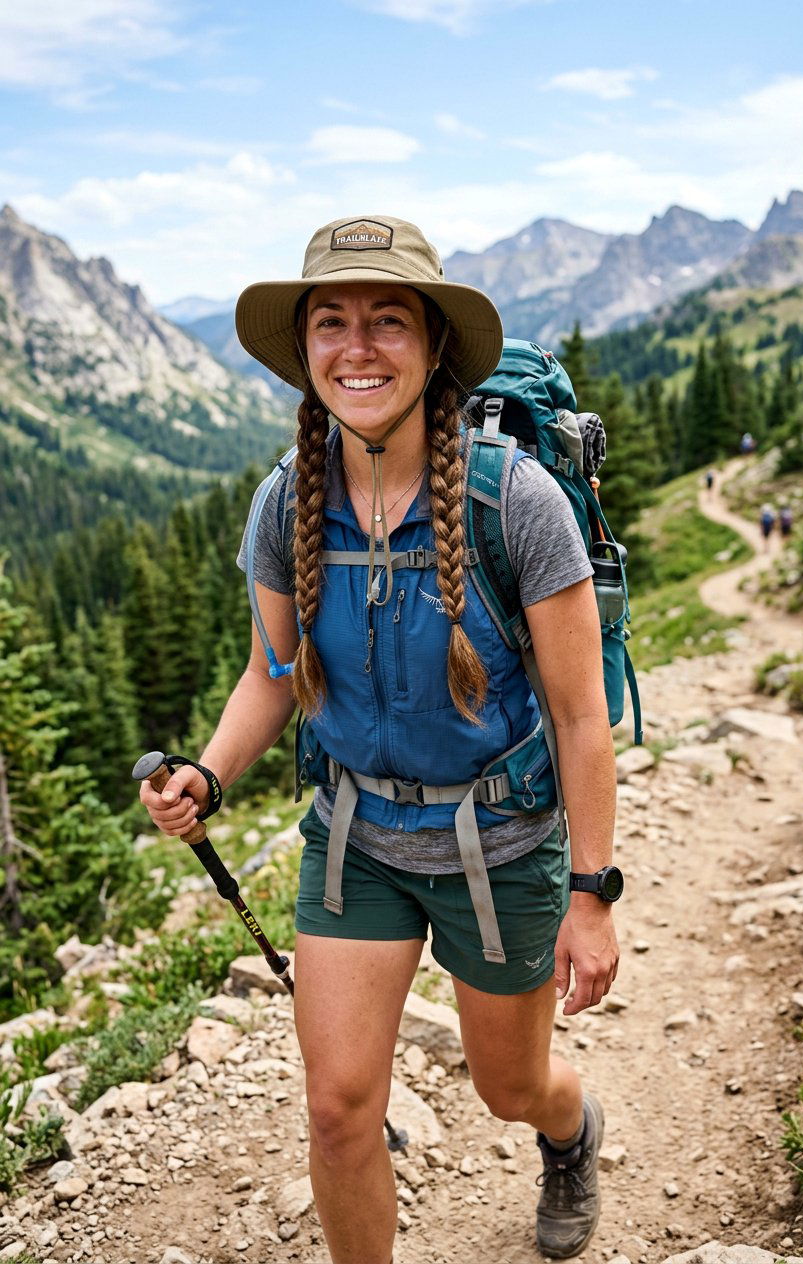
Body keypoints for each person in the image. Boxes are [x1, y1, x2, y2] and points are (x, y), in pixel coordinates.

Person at [138, 216, 620, 1264]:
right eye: (331, 323)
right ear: (303, 349)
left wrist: (591, 891)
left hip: (498, 846)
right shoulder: (287, 504)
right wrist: (209, 775)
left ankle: (568, 1127)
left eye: (387, 320)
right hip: (354, 839)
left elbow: (582, 715)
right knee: (338, 1109)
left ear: (435, 343)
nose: (357, 346)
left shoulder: (518, 502)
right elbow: (271, 675)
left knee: (508, 1087)